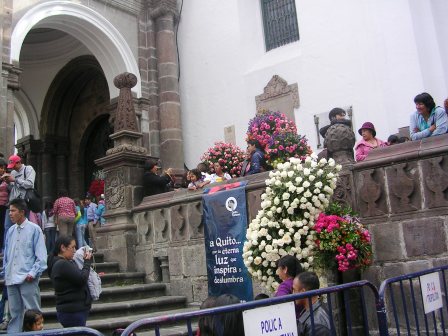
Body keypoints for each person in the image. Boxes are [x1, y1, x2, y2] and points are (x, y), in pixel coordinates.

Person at [0, 198, 47, 333]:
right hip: (11, 278)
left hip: (27, 277)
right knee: (15, 313)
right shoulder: (10, 231)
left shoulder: (34, 229)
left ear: (22, 212)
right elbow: (7, 256)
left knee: (34, 312)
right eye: (10, 211)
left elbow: (41, 257)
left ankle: (37, 334)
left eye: (13, 211)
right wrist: (5, 272)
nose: (10, 214)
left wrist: (33, 273)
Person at [47, 236, 92, 328]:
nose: (75, 251)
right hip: (73, 311)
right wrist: (87, 262)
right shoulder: (62, 264)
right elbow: (82, 279)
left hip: (72, 309)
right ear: (63, 248)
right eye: (72, 247)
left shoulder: (62, 263)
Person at [2, 154, 36, 234]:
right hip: (12, 201)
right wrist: (8, 182)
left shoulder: (28, 169)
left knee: (23, 225)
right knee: (8, 227)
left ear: (18, 162)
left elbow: (30, 184)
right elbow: (13, 187)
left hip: (23, 202)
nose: (13, 168)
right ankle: (9, 245)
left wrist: (15, 180)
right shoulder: (13, 172)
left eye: (14, 165)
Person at [293, 272, 331, 336]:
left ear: (303, 292)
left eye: (294, 290)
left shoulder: (316, 325)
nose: (292, 294)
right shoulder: (313, 310)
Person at [0, 158, 9, 250]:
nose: (2, 169)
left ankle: (2, 247)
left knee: (3, 226)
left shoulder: (7, 178)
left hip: (4, 206)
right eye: (1, 167)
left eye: (4, 168)